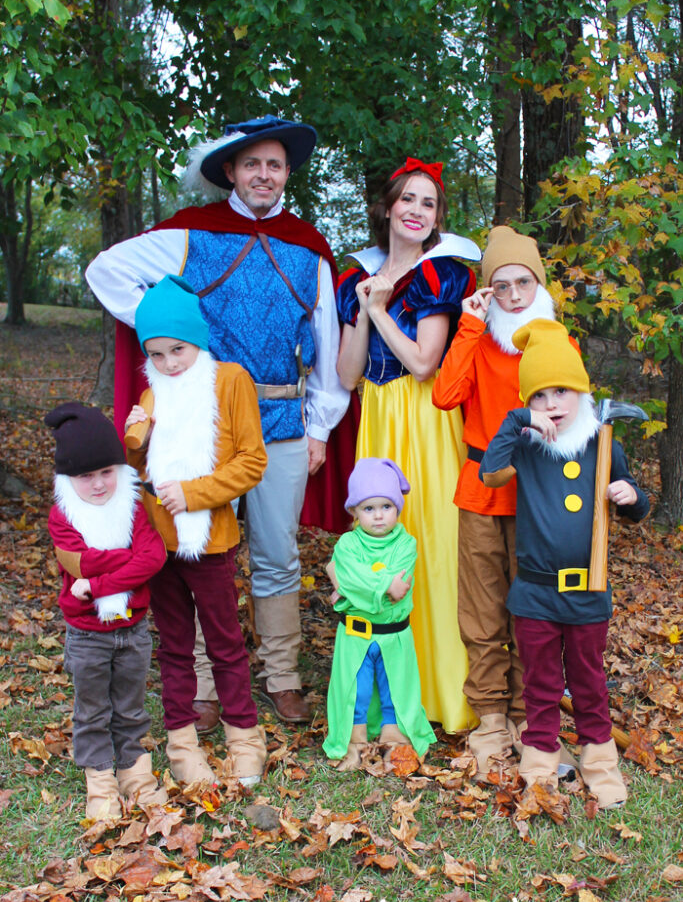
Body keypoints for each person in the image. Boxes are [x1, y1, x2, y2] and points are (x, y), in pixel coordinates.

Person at [86, 115, 349, 726]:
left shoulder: (307, 246)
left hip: (283, 421)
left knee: (279, 553)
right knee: (198, 547)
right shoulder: (190, 235)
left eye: (275, 165)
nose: (264, 174)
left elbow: (325, 338)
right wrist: (166, 331)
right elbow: (108, 272)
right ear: (229, 171)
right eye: (252, 163)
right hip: (202, 423)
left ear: (287, 174)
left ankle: (281, 676)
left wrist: (319, 427)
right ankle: (203, 681)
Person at [336, 157, 481, 733]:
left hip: (424, 421)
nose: (418, 211)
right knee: (379, 550)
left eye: (429, 203)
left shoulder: (438, 275)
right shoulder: (356, 279)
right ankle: (386, 699)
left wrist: (379, 310)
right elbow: (347, 375)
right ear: (387, 208)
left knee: (434, 548)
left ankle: (444, 694)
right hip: (376, 416)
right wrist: (366, 308)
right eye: (409, 200)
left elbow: (424, 364)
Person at [480, 319, 649, 809]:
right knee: (541, 681)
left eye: (561, 391)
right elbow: (490, 473)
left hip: (589, 591)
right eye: (539, 396)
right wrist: (516, 423)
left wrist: (630, 494)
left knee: (589, 681)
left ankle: (599, 764)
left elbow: (639, 509)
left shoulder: (603, 442)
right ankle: (540, 760)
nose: (552, 403)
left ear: (581, 391)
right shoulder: (529, 448)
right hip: (535, 593)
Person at [125, 274, 268, 786]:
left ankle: (245, 738)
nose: (168, 364)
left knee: (225, 642)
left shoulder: (229, 381)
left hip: (210, 541)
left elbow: (252, 462)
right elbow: (136, 468)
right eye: (157, 354)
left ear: (198, 339)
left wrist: (195, 493)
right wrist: (136, 441)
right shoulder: (151, 391)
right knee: (174, 646)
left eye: (177, 350)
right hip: (159, 545)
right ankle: (182, 743)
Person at [432, 226, 558, 779]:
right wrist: (470, 322)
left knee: (531, 609)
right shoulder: (479, 337)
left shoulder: (557, 341)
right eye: (499, 286)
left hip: (539, 488)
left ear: (539, 284)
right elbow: (445, 395)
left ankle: (530, 715)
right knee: (482, 607)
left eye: (521, 284)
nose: (511, 296)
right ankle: (489, 718)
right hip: (483, 480)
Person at [45, 402, 168, 820]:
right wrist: (125, 557)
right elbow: (79, 561)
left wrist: (97, 585)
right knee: (93, 708)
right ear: (68, 478)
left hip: (132, 629)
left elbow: (153, 558)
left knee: (131, 705)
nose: (98, 485)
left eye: (106, 472)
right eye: (85, 476)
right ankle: (100, 780)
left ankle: (134, 770)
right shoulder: (64, 516)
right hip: (87, 634)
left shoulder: (132, 506)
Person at [323, 458, 436, 770]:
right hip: (355, 635)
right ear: (355, 513)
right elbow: (349, 574)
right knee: (356, 689)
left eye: (386, 506)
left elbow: (355, 581)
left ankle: (394, 737)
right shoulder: (348, 543)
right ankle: (354, 740)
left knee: (394, 688)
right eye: (368, 508)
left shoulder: (406, 544)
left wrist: (349, 586)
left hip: (393, 634)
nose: (378, 516)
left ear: (397, 509)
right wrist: (384, 584)